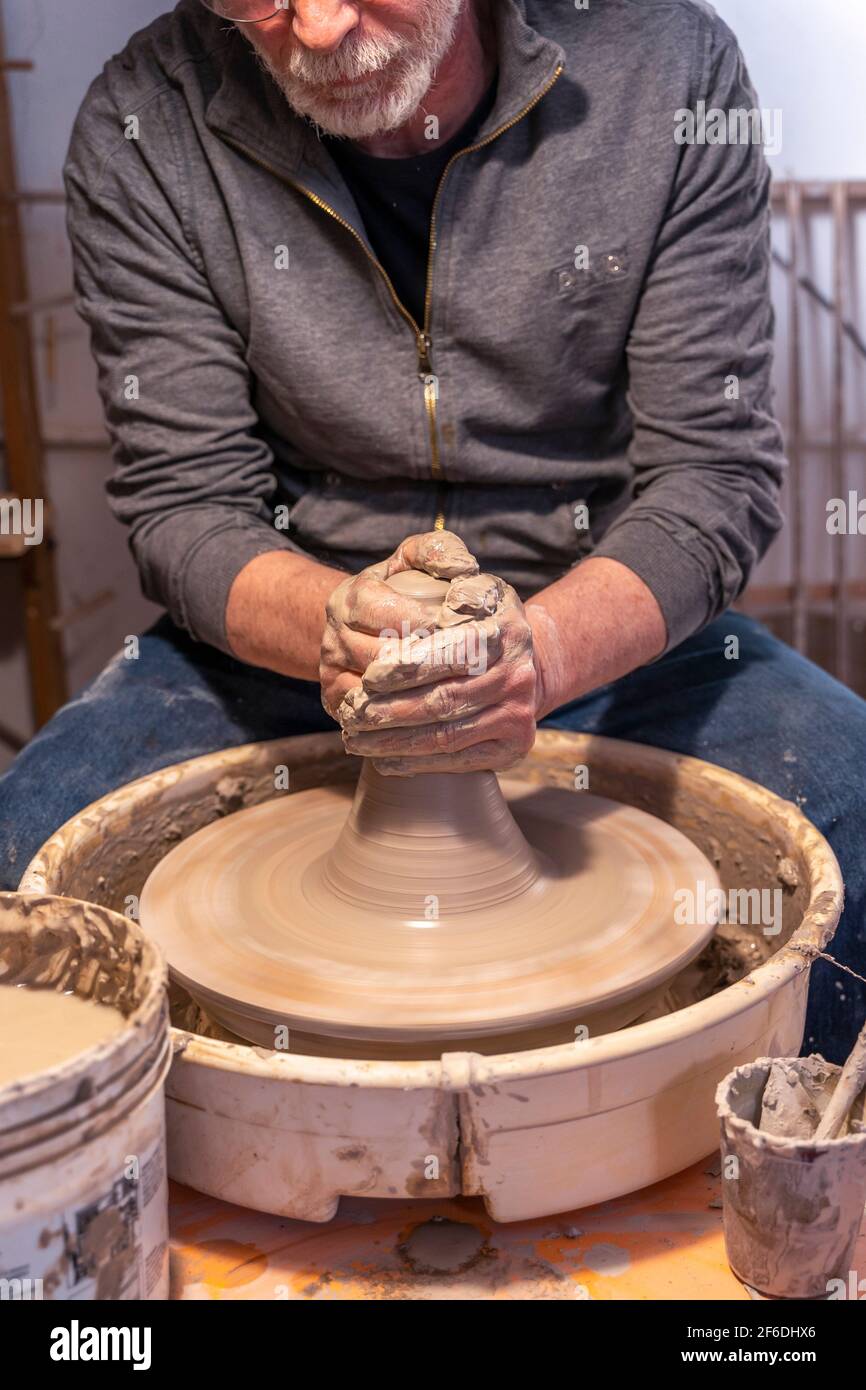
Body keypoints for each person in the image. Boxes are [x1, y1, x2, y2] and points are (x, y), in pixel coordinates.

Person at [1, 0, 863, 1061]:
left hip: (597, 620)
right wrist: (344, 630)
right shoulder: (149, 115)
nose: (314, 29)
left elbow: (712, 475)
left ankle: (758, 1191)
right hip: (287, 635)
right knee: (18, 872)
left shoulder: (665, 68)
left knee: (854, 828)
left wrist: (530, 657)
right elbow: (186, 505)